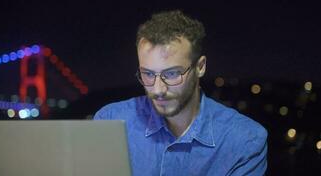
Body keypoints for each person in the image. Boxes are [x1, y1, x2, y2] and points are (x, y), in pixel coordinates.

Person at [94, 10, 267, 176]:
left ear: (200, 67)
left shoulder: (244, 140)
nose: (158, 89)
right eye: (148, 74)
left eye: (172, 74)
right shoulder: (111, 122)